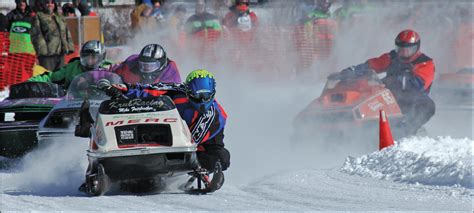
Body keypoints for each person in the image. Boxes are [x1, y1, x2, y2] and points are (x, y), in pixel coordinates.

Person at [111, 69, 230, 183]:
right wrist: (126, 89)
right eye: (197, 96)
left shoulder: (217, 116)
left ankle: (196, 169)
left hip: (198, 147)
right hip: (167, 135)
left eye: (206, 96)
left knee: (222, 157)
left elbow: (192, 141)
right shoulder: (177, 91)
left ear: (213, 94)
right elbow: (150, 89)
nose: (202, 101)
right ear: (188, 92)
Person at [330, 29, 435, 138]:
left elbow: (419, 83)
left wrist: (395, 81)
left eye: (408, 50)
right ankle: (354, 127)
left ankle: (406, 130)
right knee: (361, 95)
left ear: (416, 48)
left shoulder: (424, 62)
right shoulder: (392, 57)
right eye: (400, 49)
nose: (403, 53)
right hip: (388, 96)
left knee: (428, 105)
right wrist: (352, 71)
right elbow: (371, 65)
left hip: (411, 99)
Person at [28, 40, 112, 89]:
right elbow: (50, 77)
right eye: (86, 57)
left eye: (93, 57)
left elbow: (120, 81)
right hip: (75, 104)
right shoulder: (72, 67)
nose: (89, 61)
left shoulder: (109, 69)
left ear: (101, 58)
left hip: (101, 103)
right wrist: (29, 83)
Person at [30, 0, 75, 71]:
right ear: (43, 4)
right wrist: (43, 52)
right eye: (47, 2)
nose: (50, 4)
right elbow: (36, 35)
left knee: (60, 76)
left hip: (60, 53)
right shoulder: (39, 16)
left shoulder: (60, 16)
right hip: (47, 55)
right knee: (49, 77)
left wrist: (69, 46)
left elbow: (66, 32)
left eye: (52, 3)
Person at [110, 43, 181, 84]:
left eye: (151, 66)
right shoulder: (131, 64)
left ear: (161, 65)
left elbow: (168, 92)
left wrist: (128, 90)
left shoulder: (170, 72)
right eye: (143, 66)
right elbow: (111, 72)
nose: (146, 69)